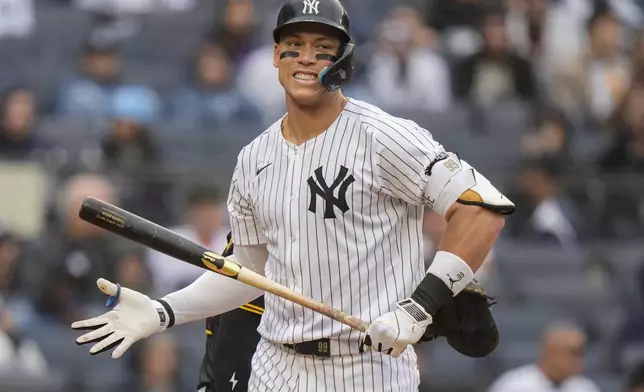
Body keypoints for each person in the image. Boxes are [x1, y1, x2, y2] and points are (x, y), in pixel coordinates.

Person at [71, 1, 515, 391]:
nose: (306, 58)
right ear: (275, 56)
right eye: (294, 45)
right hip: (277, 365)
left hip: (370, 368)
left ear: (343, 59)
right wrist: (164, 310)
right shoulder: (253, 158)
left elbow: (482, 208)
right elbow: (246, 270)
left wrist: (418, 308)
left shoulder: (383, 136)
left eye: (323, 47)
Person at [487, 322, 601, 392]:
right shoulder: (514, 385)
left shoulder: (585, 388)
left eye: (581, 354)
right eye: (573, 353)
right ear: (551, 351)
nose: (579, 360)